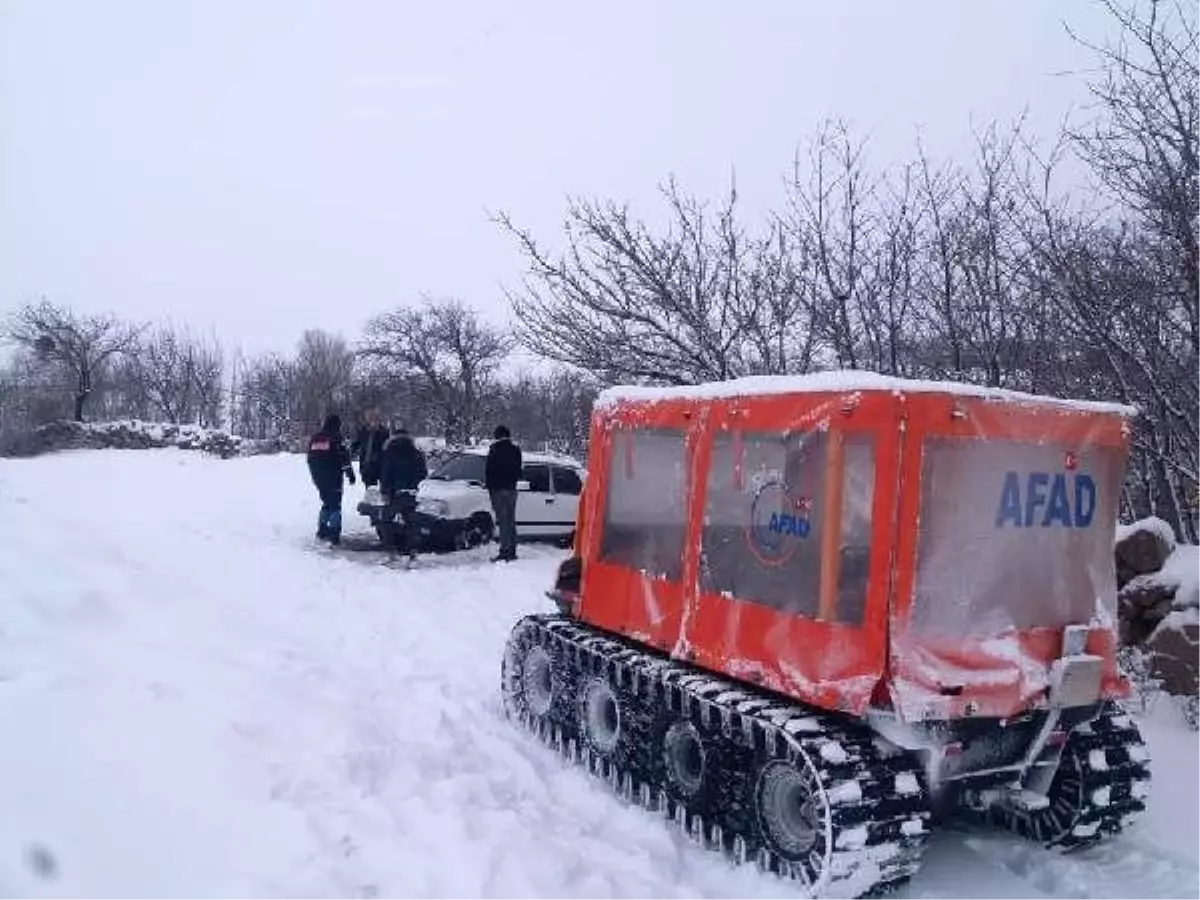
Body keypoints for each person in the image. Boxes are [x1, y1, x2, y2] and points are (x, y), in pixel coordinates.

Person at [379, 425, 428, 562]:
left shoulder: (390, 452)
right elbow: (423, 474)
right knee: (411, 523)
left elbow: (386, 473)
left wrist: (385, 491)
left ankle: (392, 551)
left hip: (395, 493)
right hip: (412, 493)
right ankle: (413, 552)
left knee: (386, 520)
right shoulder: (417, 452)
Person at [307, 413, 355, 545]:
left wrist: (316, 475)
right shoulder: (336, 438)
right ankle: (334, 533)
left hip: (318, 478)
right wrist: (350, 474)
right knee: (335, 506)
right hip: (333, 477)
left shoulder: (315, 438)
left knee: (327, 503)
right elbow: (344, 458)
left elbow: (310, 459)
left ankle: (322, 530)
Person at [485, 424, 522, 562]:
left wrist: (490, 488)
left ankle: (505, 550)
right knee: (511, 520)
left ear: (497, 435)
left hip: (498, 490)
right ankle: (512, 549)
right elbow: (519, 470)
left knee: (503, 521)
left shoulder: (494, 449)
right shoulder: (516, 449)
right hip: (512, 489)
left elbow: (489, 471)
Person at [352, 408, 389, 487]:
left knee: (385, 492)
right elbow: (357, 443)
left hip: (381, 466)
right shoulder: (363, 431)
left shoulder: (384, 432)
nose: (372, 421)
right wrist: (353, 449)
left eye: (374, 418)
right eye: (369, 418)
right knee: (370, 492)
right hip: (367, 466)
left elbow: (387, 447)